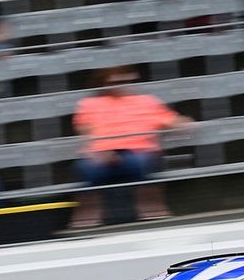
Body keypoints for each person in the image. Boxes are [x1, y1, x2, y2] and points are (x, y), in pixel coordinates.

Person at [70, 66, 193, 228]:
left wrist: (185, 124)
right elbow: (85, 132)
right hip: (101, 154)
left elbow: (172, 121)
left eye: (128, 80)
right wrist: (97, 152)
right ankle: (86, 218)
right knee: (88, 168)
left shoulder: (147, 101)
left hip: (139, 152)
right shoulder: (89, 104)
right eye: (117, 80)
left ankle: (152, 212)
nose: (124, 84)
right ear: (103, 82)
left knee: (142, 163)